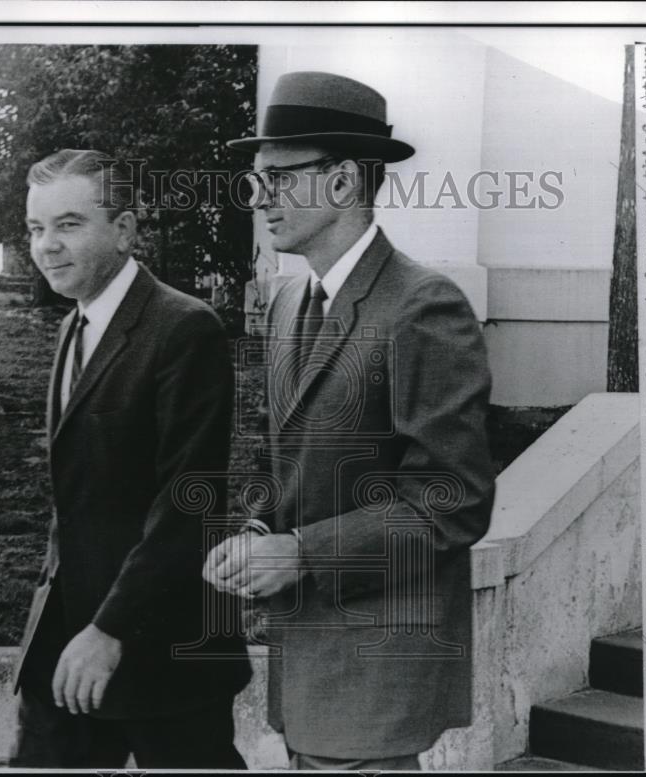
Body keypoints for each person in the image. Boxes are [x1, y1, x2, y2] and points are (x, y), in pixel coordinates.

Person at [203, 72, 496, 770]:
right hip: (307, 667)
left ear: (341, 184)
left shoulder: (423, 306)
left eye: (278, 178)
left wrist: (301, 553)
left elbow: (453, 501)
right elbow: (287, 464)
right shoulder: (282, 302)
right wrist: (257, 530)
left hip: (378, 673)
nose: (259, 197)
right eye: (255, 179)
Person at [12, 149, 250, 768]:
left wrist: (110, 630)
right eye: (37, 229)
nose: (47, 247)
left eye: (68, 225)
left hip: (163, 649)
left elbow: (187, 505)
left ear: (124, 230)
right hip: (66, 645)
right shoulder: (75, 325)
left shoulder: (183, 328)